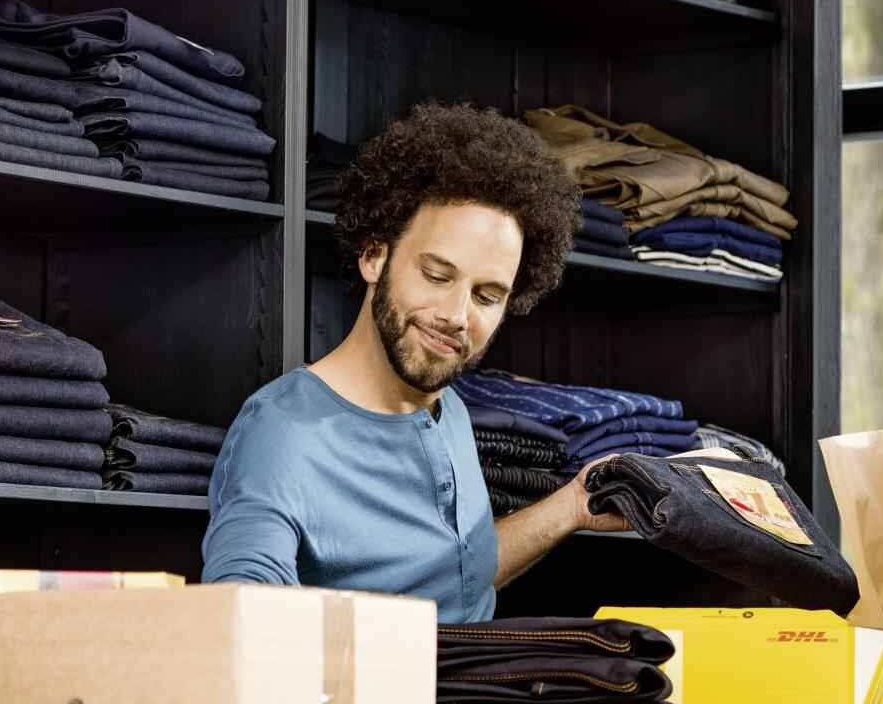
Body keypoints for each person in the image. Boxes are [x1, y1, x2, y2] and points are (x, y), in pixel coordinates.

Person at [201, 102, 630, 622]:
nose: (456, 315)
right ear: (374, 255)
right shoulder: (282, 433)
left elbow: (455, 583)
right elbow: (239, 616)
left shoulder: (450, 412)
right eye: (436, 275)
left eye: (487, 296)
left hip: (476, 699)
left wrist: (571, 507)